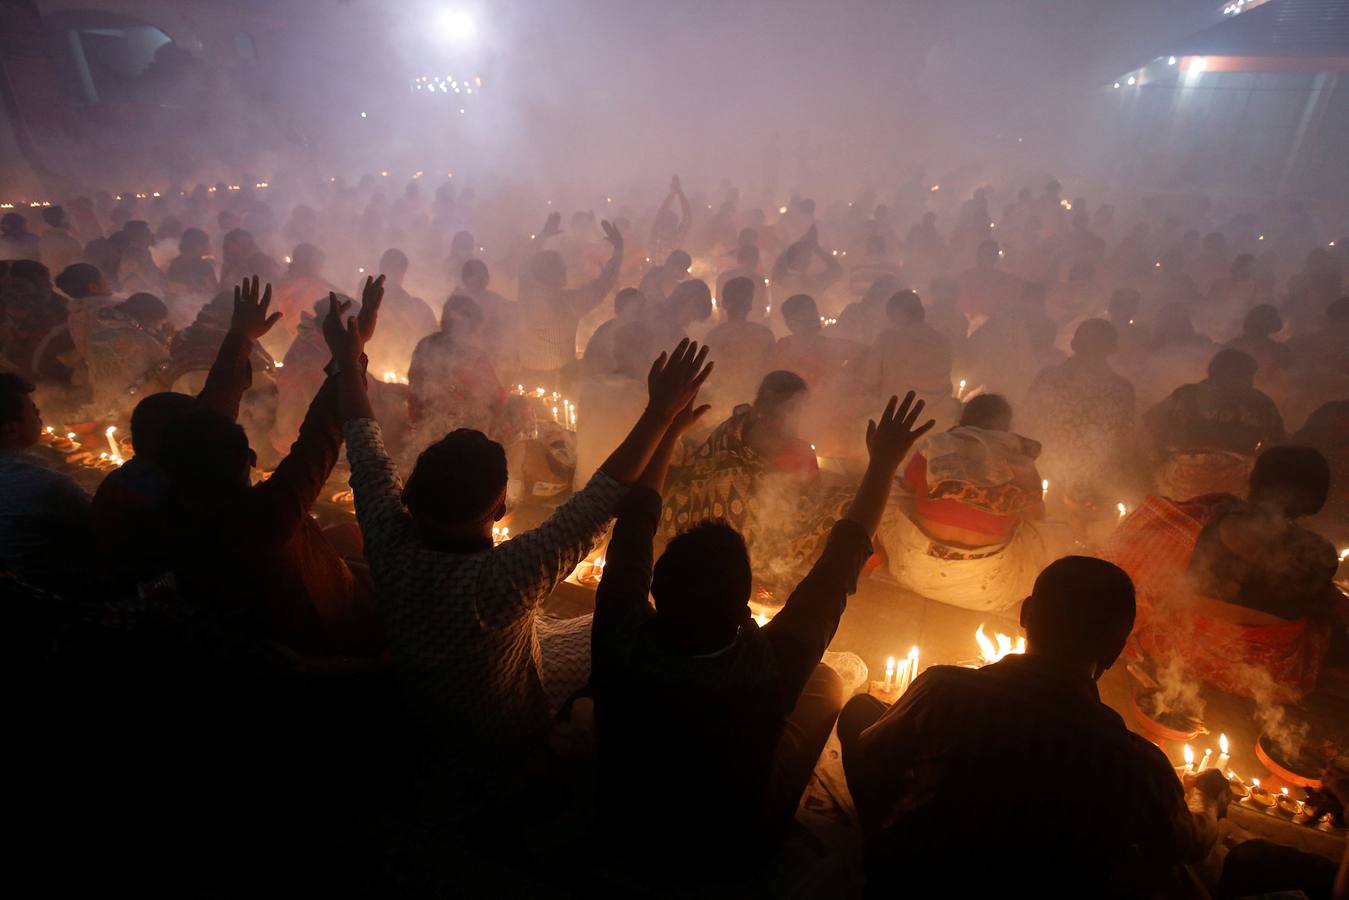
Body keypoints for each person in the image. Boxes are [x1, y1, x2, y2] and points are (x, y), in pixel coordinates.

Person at [337, 315, 716, 775]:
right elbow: (600, 501)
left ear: (412, 492)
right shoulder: (503, 579)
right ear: (498, 510)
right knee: (623, 635)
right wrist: (663, 419)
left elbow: (363, 441)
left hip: (425, 707)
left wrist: (347, 357)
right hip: (501, 730)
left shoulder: (384, 536)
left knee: (577, 626)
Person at [593, 391, 934, 881]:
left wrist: (665, 427)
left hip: (622, 828)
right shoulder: (771, 662)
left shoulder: (617, 633)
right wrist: (882, 463)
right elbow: (844, 555)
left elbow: (634, 526)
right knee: (827, 683)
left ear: (656, 589)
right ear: (742, 609)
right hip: (732, 850)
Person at [839, 556, 1229, 897]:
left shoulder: (944, 688)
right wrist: (1207, 795)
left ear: (1026, 614)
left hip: (911, 881)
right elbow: (1189, 842)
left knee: (860, 712)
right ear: (1114, 650)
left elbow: (873, 752)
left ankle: (877, 838)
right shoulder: (1134, 761)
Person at [157, 280, 386, 657]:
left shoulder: (175, 499)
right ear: (247, 463)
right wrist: (351, 357)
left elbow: (211, 414)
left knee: (346, 535)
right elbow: (321, 437)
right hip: (315, 638)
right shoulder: (264, 518)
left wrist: (240, 336)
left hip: (237, 615)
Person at [91, 276, 277, 590]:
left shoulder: (120, 481)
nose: (209, 425)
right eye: (199, 425)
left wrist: (240, 335)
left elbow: (218, 398)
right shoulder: (191, 496)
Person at [879, 393, 1058, 612]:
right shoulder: (1020, 462)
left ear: (963, 418)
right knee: (1048, 536)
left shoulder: (934, 448)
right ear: (1006, 427)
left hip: (915, 569)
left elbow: (907, 488)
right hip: (988, 588)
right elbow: (1037, 518)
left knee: (891, 488)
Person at [1188, 446, 1338, 621]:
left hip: (1196, 636)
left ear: (1255, 480)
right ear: (1316, 495)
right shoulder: (1320, 556)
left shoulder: (1212, 523)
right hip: (1271, 645)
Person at [1021, 318, 1135, 506]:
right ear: (1112, 349)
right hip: (1092, 485)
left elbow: (1026, 423)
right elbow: (1124, 440)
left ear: (1075, 344)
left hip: (1046, 476)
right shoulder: (1122, 388)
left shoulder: (1048, 378)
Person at [1143, 348, 1285, 499]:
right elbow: (1152, 424)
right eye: (1244, 376)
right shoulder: (1186, 395)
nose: (1248, 381)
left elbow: (1277, 442)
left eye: (1249, 376)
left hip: (1233, 477)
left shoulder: (1260, 403)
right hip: (1189, 475)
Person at [0, 373, 94, 596]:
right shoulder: (46, 485)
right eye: (33, 411)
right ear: (11, 429)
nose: (39, 415)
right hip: (55, 597)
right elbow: (101, 524)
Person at [515, 220, 623, 387]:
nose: (566, 270)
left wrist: (543, 235)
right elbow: (605, 283)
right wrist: (619, 249)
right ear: (553, 274)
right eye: (561, 268)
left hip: (528, 373)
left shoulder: (526, 292)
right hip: (562, 377)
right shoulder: (571, 303)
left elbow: (524, 261)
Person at [407, 295, 509, 438]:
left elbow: (497, 395)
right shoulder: (473, 357)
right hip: (457, 435)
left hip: (424, 430)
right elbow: (499, 398)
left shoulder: (426, 344)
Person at [865, 289, 960, 432]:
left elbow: (870, 381)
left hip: (898, 422)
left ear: (897, 314)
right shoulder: (942, 341)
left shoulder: (888, 338)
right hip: (940, 421)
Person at [702, 276, 775, 406]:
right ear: (750, 305)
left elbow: (709, 373)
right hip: (756, 402)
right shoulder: (764, 334)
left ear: (724, 303)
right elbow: (770, 370)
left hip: (722, 401)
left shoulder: (714, 335)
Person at [363, 248, 436, 377]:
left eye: (400, 272)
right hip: (374, 348)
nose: (399, 276)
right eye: (397, 271)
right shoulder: (370, 286)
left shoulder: (401, 296)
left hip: (387, 350)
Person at [770, 293, 859, 389]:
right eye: (806, 315)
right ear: (791, 323)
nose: (814, 318)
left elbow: (862, 353)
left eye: (814, 312)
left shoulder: (829, 344)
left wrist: (845, 375)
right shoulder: (784, 347)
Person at [582, 286, 646, 376]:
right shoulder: (603, 332)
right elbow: (589, 362)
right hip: (605, 384)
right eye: (631, 312)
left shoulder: (646, 335)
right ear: (617, 311)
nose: (635, 318)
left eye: (638, 312)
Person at [769, 224, 843, 302]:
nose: (810, 260)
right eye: (808, 257)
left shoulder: (777, 279)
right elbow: (836, 270)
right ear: (803, 262)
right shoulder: (809, 284)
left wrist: (801, 244)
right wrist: (816, 248)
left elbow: (781, 262)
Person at [164, 228, 218, 297]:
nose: (209, 246)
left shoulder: (174, 262)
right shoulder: (204, 265)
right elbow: (214, 291)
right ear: (197, 246)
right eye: (206, 243)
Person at [38, 207, 82, 276]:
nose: (71, 218)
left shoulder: (45, 237)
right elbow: (79, 261)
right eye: (67, 215)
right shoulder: (67, 241)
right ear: (62, 219)